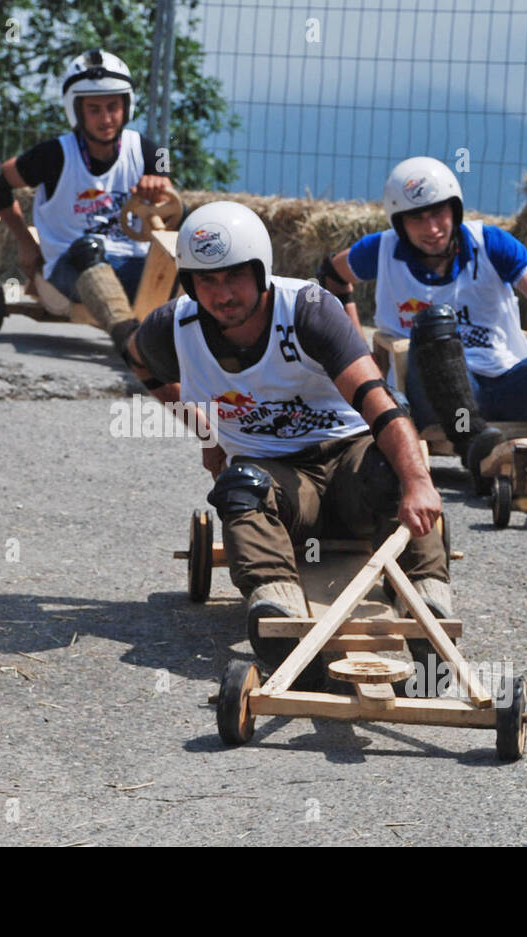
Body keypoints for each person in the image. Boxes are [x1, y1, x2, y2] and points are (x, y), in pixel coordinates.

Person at [125, 201, 449, 690]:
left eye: (234, 277)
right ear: (190, 284)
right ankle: (281, 622)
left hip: (349, 462)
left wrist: (419, 482)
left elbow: (378, 402)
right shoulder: (173, 328)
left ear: (261, 271)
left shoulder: (309, 311)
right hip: (281, 485)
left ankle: (429, 613)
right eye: (207, 281)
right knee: (240, 487)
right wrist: (205, 428)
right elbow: (138, 363)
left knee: (396, 468)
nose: (222, 294)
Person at [318, 156, 527, 492]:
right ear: (399, 223)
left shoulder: (491, 243)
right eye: (417, 218)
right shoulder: (380, 250)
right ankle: (476, 449)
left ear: (455, 210)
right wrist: (361, 355)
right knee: (437, 321)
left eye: (439, 213)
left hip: (506, 386)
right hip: (431, 398)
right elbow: (332, 276)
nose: (432, 228)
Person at [0, 49, 171, 360]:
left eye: (113, 107)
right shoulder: (53, 155)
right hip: (72, 266)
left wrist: (159, 187)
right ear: (76, 111)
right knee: (87, 248)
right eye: (94, 109)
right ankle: (130, 342)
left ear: (126, 106)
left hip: (137, 265)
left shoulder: (150, 151)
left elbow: (171, 202)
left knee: (193, 237)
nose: (106, 119)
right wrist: (26, 243)